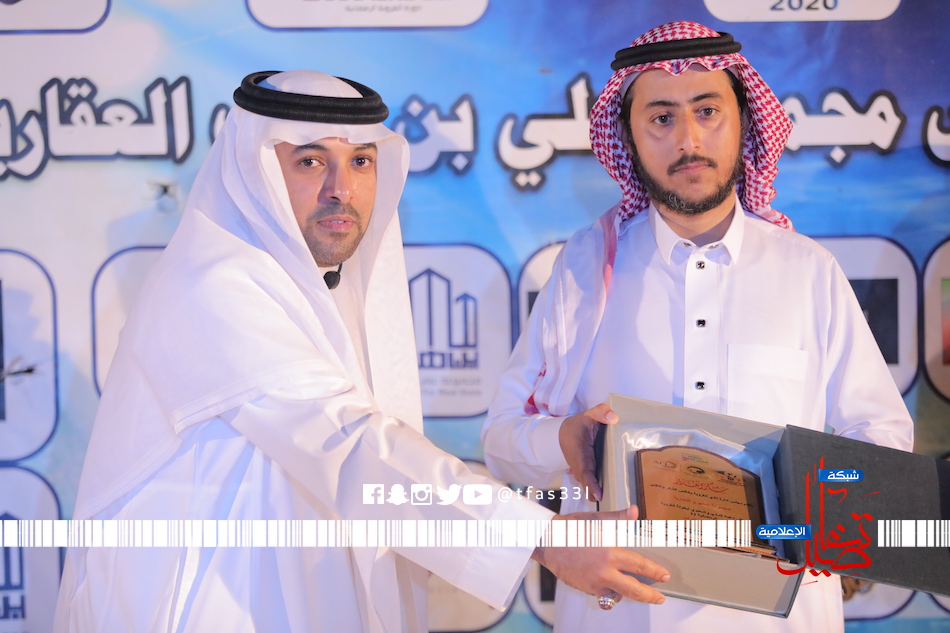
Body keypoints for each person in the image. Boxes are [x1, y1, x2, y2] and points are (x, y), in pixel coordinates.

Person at [52, 70, 670, 633]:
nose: (341, 189)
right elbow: (347, 445)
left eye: (362, 161)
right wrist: (542, 538)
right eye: (310, 161)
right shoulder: (215, 285)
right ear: (254, 170)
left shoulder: (320, 287)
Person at [482, 21, 914, 633]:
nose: (688, 139)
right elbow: (501, 441)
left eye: (708, 112)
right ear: (628, 139)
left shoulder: (807, 271)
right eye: (661, 118)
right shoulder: (583, 273)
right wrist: (565, 439)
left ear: (744, 122)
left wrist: (817, 502)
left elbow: (882, 437)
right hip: (623, 617)